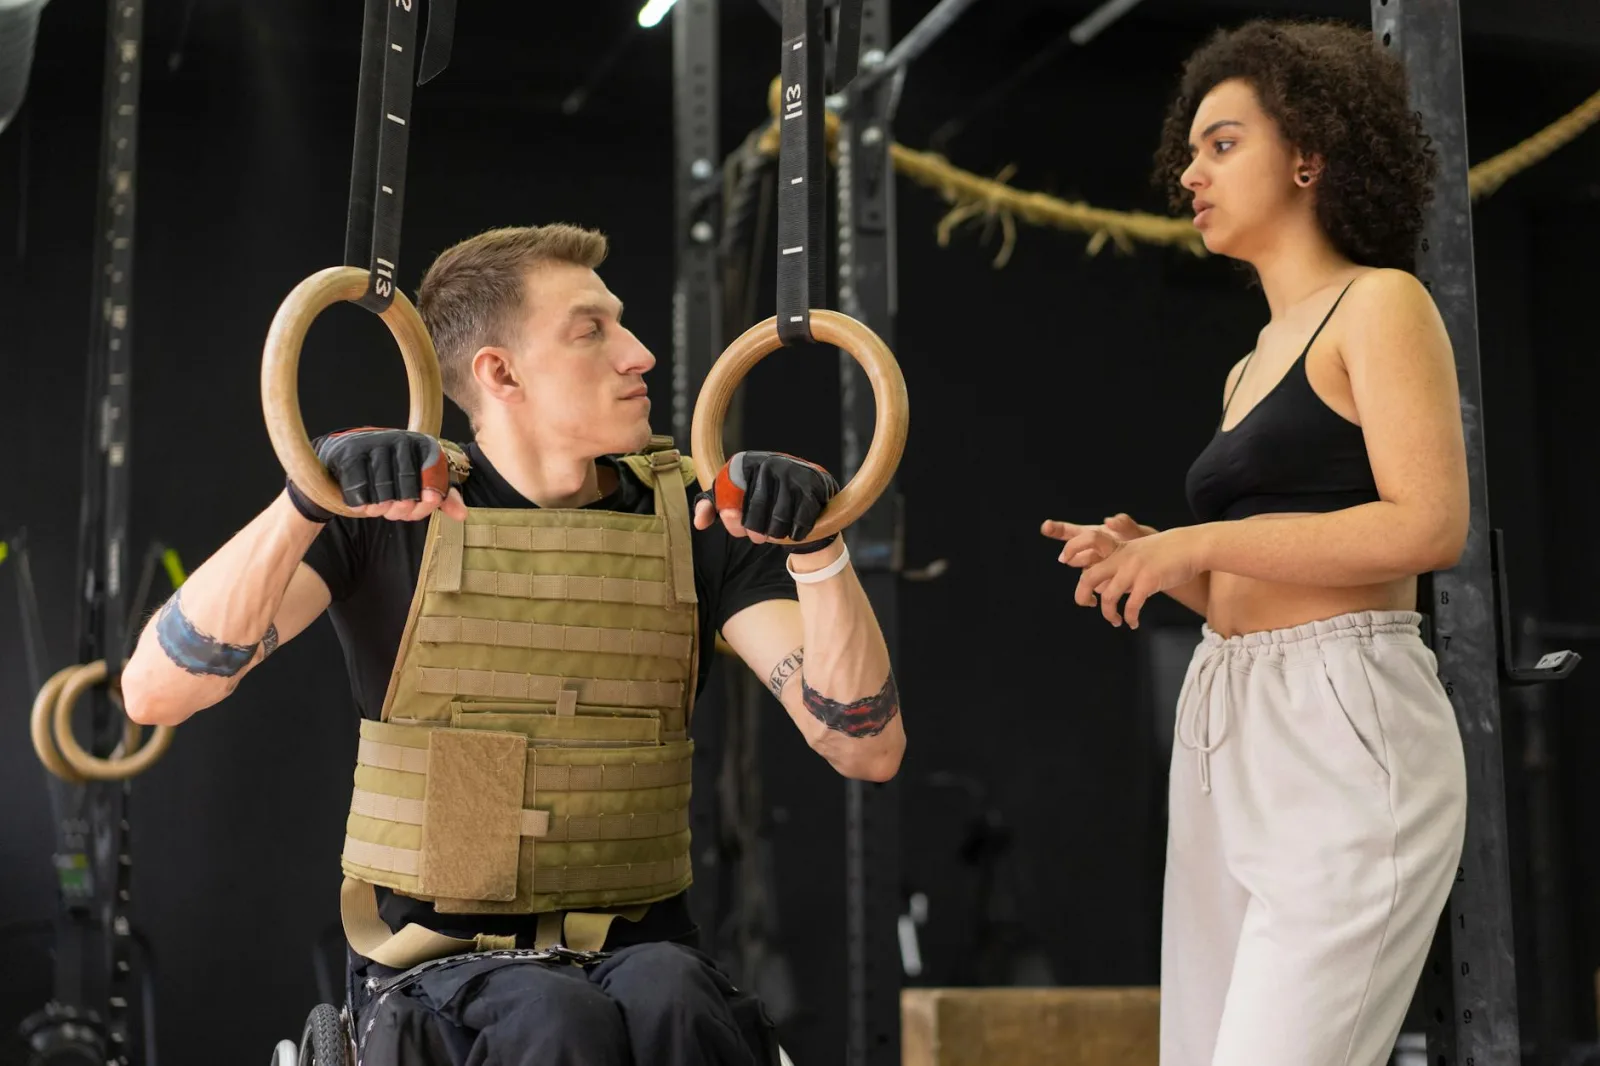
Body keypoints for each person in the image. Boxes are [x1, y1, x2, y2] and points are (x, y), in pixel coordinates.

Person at [121, 223, 906, 1065]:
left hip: (647, 958)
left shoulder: (698, 520)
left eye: (623, 324)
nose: (640, 354)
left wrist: (820, 547)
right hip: (433, 970)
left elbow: (866, 748)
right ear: (500, 372)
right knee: (549, 1017)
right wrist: (305, 500)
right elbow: (156, 691)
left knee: (673, 998)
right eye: (592, 330)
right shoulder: (389, 521)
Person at [1040, 20, 1468, 1066]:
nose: (1190, 171)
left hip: (1341, 717)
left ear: (1309, 152)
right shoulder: (1251, 363)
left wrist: (1192, 545)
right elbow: (1275, 572)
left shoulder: (1380, 304)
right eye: (1189, 151)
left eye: (1222, 143)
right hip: (1231, 714)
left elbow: (1426, 527)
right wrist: (1168, 560)